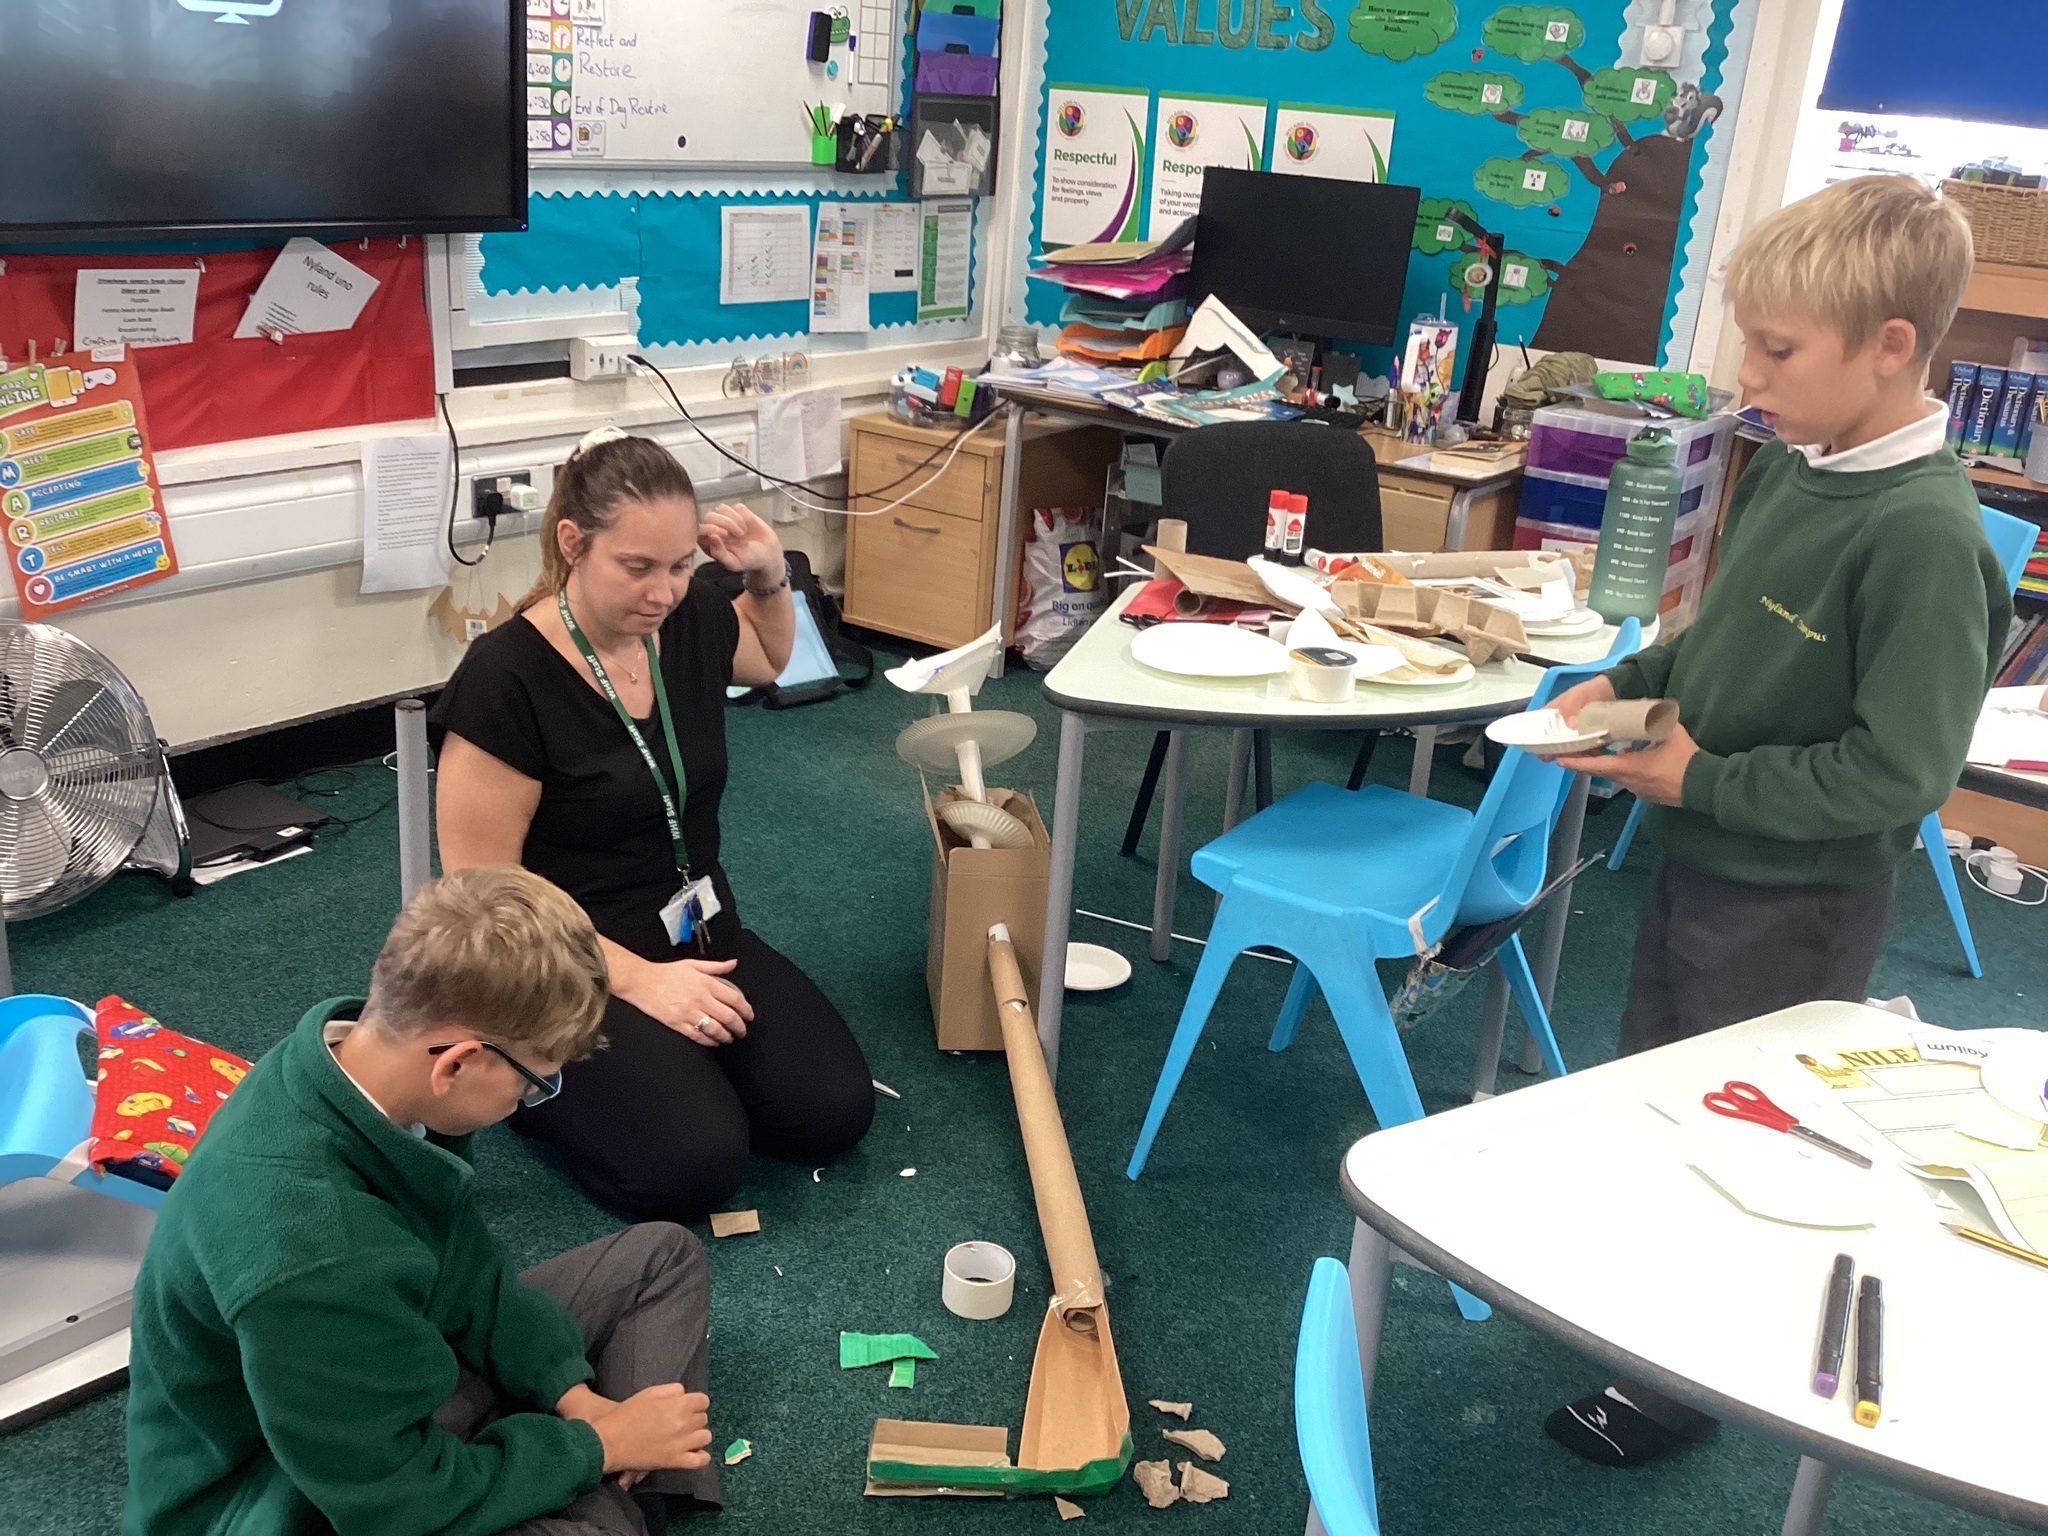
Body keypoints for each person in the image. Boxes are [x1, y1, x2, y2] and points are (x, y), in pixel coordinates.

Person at [1538, 175, 2013, 1467]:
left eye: (1777, 348)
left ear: (1889, 347)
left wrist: (1699, 781)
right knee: (1659, 1092)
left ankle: (1680, 1383)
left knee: (1743, 1135)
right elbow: (1717, 638)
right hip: (1702, 857)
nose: (1745, 373)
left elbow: (1896, 777)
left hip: (1796, 901)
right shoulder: (1795, 466)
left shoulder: (1924, 539)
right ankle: (1646, 1313)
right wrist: (1629, 684)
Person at [124, 866, 721, 1536]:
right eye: (533, 1084)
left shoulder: (348, 1069)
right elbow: (394, 1503)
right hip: (287, 1496)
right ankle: (623, 1492)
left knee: (663, 1256)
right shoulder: (312, 1248)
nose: (527, 1101)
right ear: (456, 1064)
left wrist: (573, 1394)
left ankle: (613, 1482)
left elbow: (461, 1261)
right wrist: (597, 1448)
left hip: (374, 1374)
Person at [431, 427, 874, 1223]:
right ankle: (525, 1079)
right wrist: (639, 982)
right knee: (693, 1168)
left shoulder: (689, 616)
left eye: (677, 565)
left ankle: (669, 1069)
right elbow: (482, 891)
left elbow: (766, 658)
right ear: (573, 544)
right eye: (637, 567)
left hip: (699, 928)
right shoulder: (506, 679)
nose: (662, 592)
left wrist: (768, 573)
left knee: (831, 1114)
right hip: (562, 960)